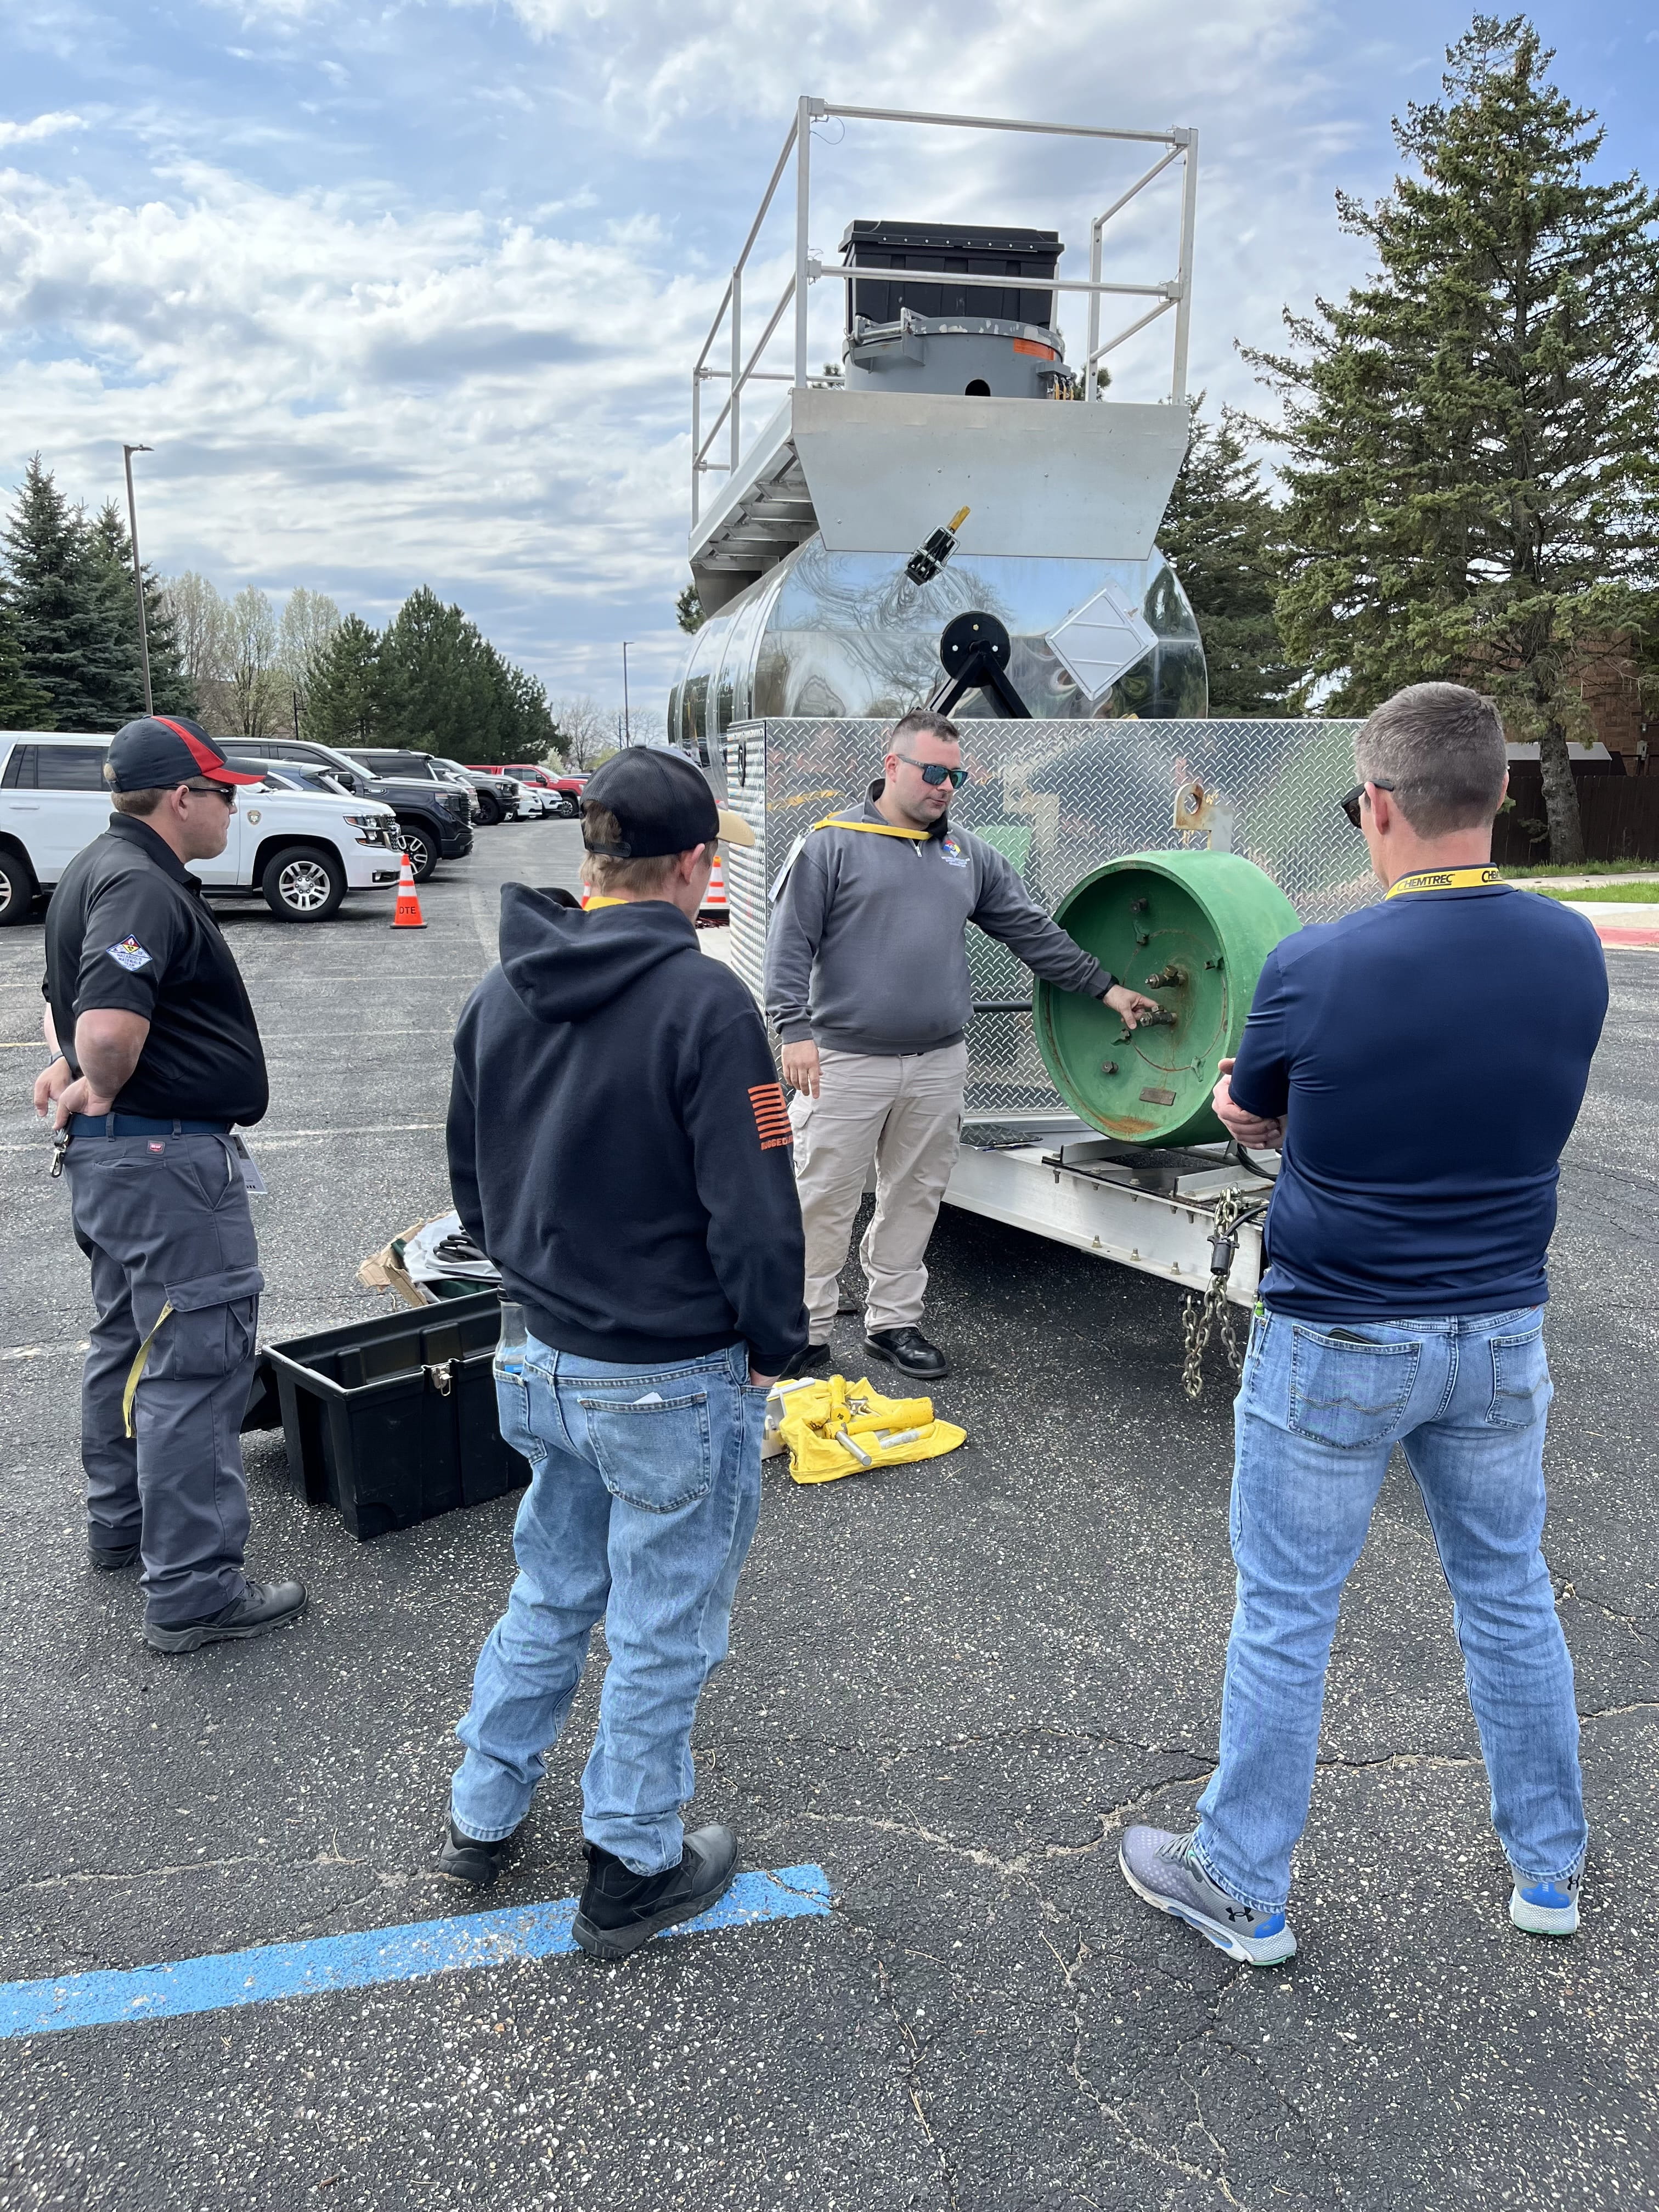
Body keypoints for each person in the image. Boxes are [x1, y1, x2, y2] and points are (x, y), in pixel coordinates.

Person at [1119, 682, 1608, 1965]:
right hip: (1500, 1330)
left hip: (1338, 1332)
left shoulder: (1316, 962)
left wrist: (1262, 1110)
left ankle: (1242, 1884)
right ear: (1499, 795)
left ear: (1376, 808)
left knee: (1288, 1610)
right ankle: (1549, 1870)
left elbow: (1247, 1107)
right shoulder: (1569, 950)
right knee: (1508, 1592)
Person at [441, 747, 808, 1961]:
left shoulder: (499, 994)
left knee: (551, 1587)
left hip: (539, 1355)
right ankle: (634, 1860)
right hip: (664, 1373)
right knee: (662, 1624)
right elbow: (753, 1203)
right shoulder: (707, 1003)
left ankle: (482, 1811)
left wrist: (544, 1285)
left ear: (589, 856)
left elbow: (472, 1190)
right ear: (698, 866)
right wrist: (775, 1343)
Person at [764, 709, 1159, 1379]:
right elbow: (789, 941)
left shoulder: (968, 856)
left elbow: (1032, 933)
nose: (946, 787)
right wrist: (792, 1030)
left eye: (957, 776)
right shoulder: (830, 845)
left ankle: (893, 1324)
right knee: (823, 1196)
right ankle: (804, 1329)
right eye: (933, 773)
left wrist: (1107, 989)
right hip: (844, 1061)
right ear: (892, 767)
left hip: (938, 1062)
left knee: (915, 1193)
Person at [36, 715, 306, 1655]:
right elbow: (104, 1029)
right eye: (224, 789)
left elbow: (56, 1006)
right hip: (162, 1165)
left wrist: (75, 1078)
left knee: (128, 1339)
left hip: (120, 1160)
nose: (235, 803)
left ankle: (121, 1525)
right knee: (194, 1364)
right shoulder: (140, 883)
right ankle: (193, 1588)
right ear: (182, 796)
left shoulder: (90, 870)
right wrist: (95, 1076)